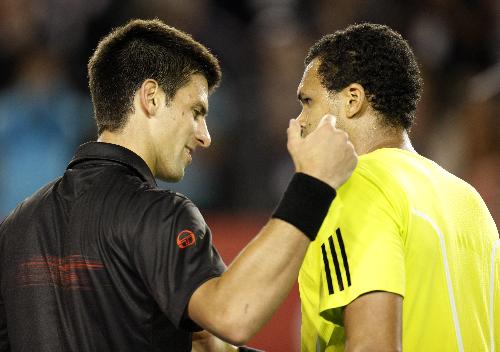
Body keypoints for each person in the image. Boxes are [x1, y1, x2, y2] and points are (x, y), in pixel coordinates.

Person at [0, 19, 358, 351]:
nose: (205, 137)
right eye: (197, 112)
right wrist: (314, 182)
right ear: (151, 97)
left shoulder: (14, 227)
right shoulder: (160, 214)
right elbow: (235, 314)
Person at [296, 23, 500, 351]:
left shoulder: (357, 187)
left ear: (352, 101)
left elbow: (372, 345)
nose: (300, 121)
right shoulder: (468, 199)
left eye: (308, 101)